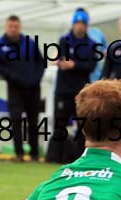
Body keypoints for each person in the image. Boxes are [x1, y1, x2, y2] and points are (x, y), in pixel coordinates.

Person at [45, 9, 96, 164]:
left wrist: (74, 65)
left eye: (82, 24)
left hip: (81, 93)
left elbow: (91, 66)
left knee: (82, 126)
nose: (80, 26)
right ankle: (54, 157)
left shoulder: (91, 44)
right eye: (77, 23)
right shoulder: (64, 40)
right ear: (73, 24)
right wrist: (59, 61)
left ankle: (81, 158)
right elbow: (59, 58)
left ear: (86, 25)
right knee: (60, 124)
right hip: (63, 91)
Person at [0, 15, 45, 163]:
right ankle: (19, 153)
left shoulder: (30, 43)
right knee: (16, 119)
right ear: (6, 27)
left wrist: (36, 78)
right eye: (11, 26)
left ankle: (34, 153)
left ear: (20, 27)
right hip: (15, 88)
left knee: (33, 121)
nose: (13, 29)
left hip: (33, 88)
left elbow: (40, 63)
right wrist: (12, 76)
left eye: (15, 26)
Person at [79, 8, 106, 84]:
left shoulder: (97, 33)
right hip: (79, 76)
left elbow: (104, 50)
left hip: (96, 75)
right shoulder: (72, 36)